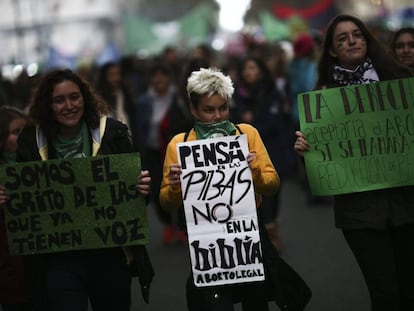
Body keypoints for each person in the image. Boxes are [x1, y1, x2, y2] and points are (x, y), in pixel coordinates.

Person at [1, 68, 153, 311]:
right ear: (47, 105)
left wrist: (143, 188)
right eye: (59, 100)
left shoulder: (112, 133)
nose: (68, 105)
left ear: (85, 98)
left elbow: (135, 200)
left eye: (74, 97)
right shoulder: (30, 141)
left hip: (109, 253)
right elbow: (24, 200)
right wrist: (8, 197)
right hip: (59, 259)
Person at [160, 67, 310, 311]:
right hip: (207, 241)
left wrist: (252, 171)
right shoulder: (180, 145)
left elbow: (272, 185)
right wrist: (176, 186)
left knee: (256, 303)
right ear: (193, 110)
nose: (218, 116)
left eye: (223, 108)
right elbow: (167, 202)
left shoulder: (246, 134)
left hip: (248, 233)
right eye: (209, 110)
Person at [294, 14, 414, 311]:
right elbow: (318, 165)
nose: (351, 41)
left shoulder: (400, 83)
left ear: (366, 40)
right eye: (342, 38)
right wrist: (305, 150)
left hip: (406, 205)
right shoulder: (323, 100)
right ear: (332, 50)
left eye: (357, 35)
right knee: (385, 293)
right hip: (360, 214)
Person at [233, 56, 296, 250]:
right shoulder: (236, 95)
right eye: (245, 68)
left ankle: (271, 230)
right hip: (244, 153)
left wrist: (250, 125)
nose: (248, 72)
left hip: (271, 150)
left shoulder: (271, 91)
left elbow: (274, 121)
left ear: (260, 70)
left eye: (252, 67)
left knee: (271, 192)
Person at [0, 107, 31, 311]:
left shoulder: (39, 162)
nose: (22, 137)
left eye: (25, 131)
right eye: (15, 132)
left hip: (39, 268)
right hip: (9, 269)